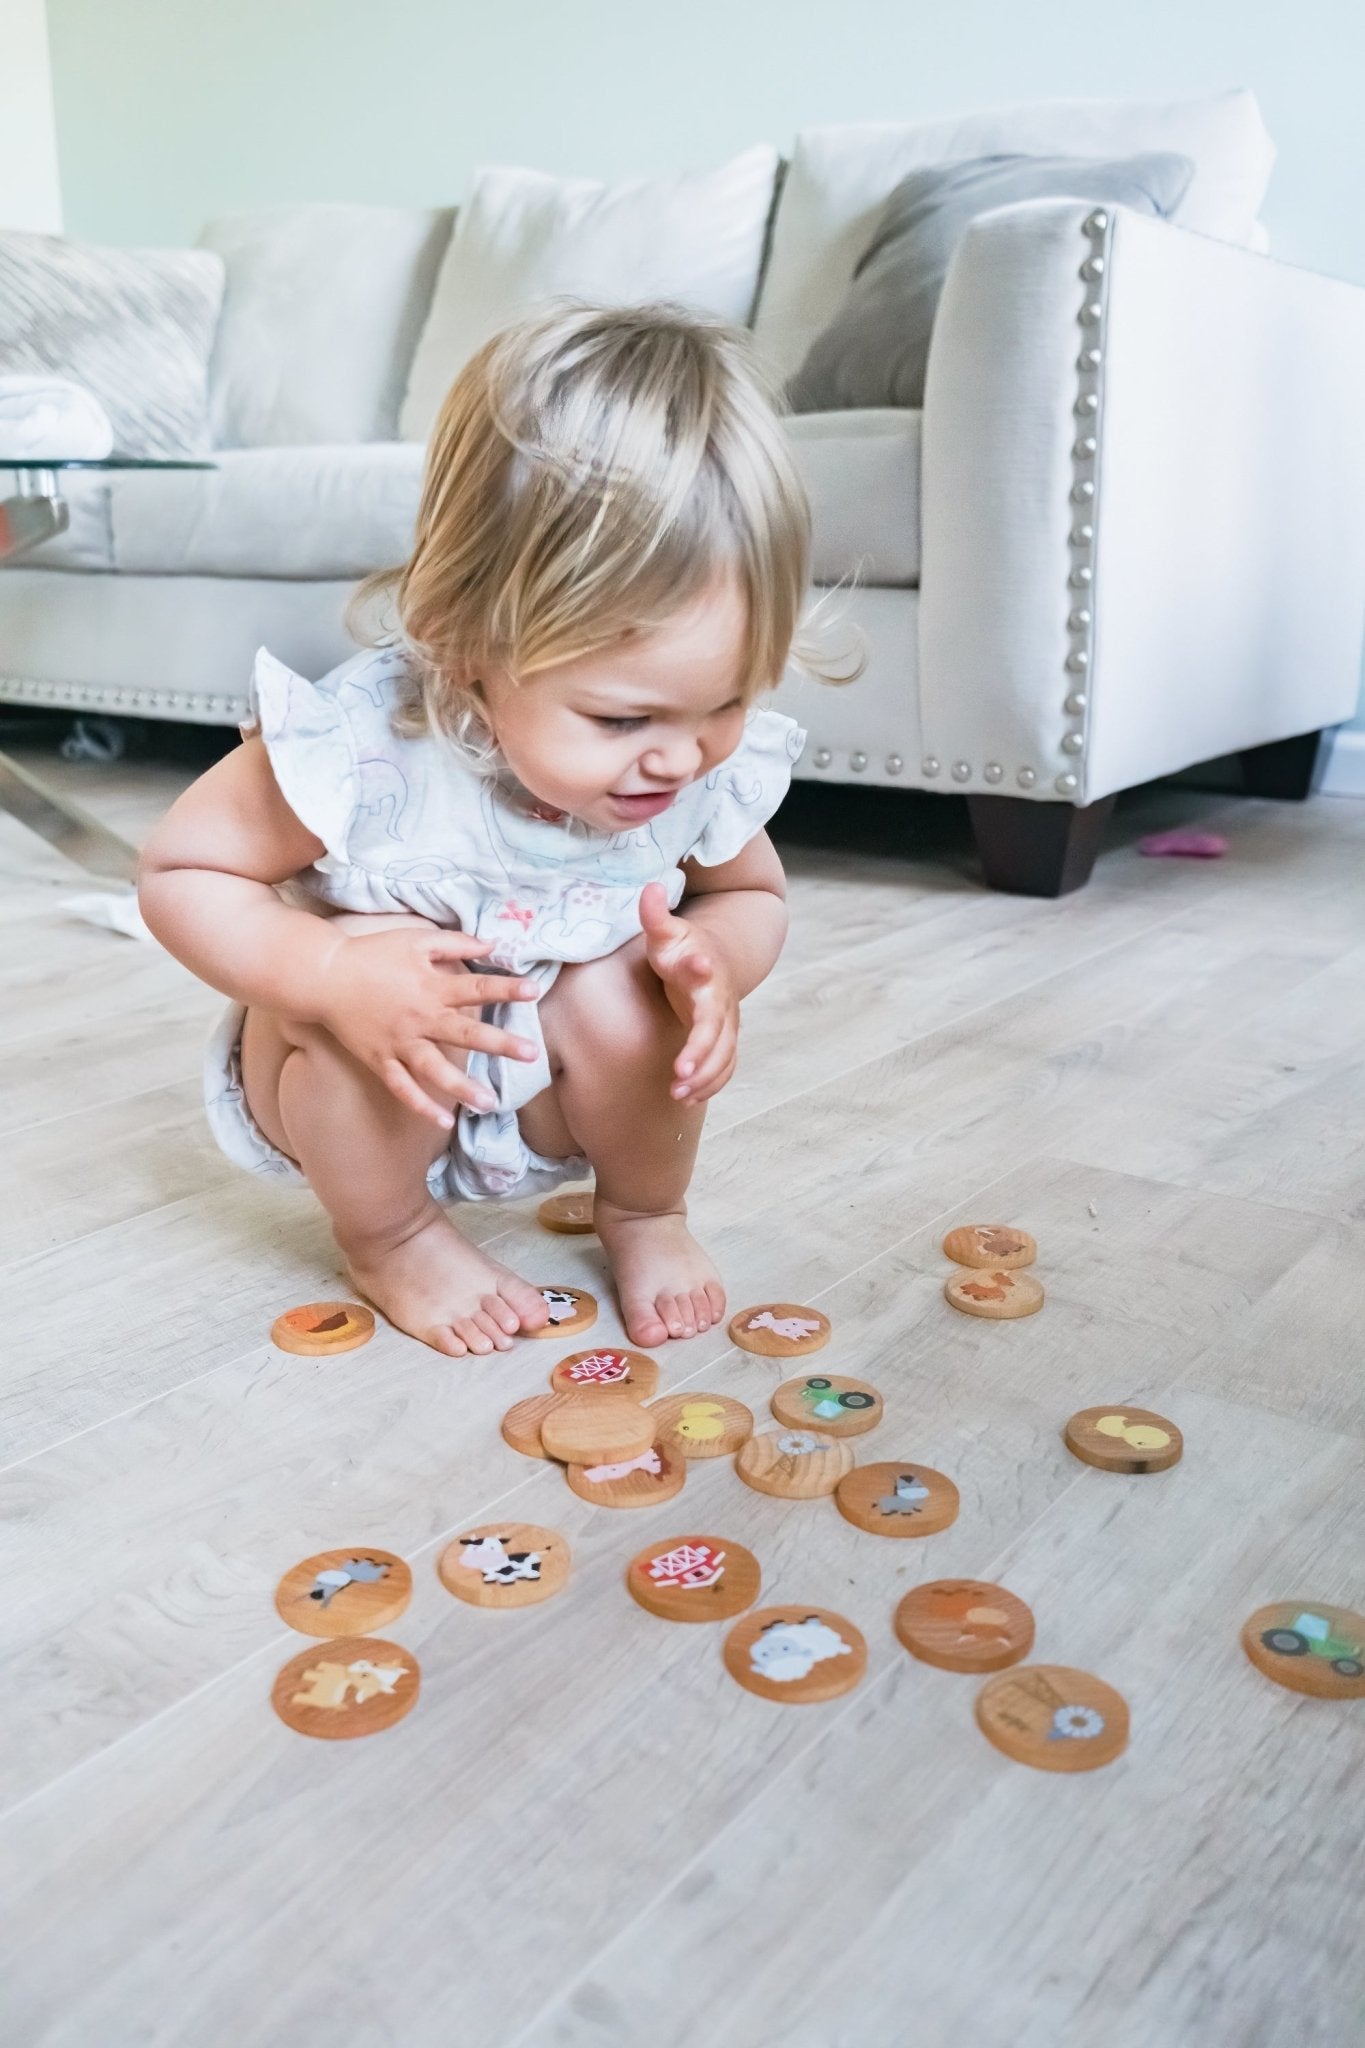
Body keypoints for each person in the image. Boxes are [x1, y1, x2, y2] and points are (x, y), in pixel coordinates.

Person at [138, 300, 858, 1358]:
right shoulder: (366, 746)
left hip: (549, 1092)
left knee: (633, 990)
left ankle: (645, 1210)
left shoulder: (687, 765)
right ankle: (390, 1235)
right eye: (623, 719)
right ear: (465, 644)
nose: (681, 757)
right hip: (358, 1089)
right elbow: (180, 871)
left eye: (728, 701)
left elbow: (750, 892)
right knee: (385, 960)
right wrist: (329, 972)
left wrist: (715, 965)